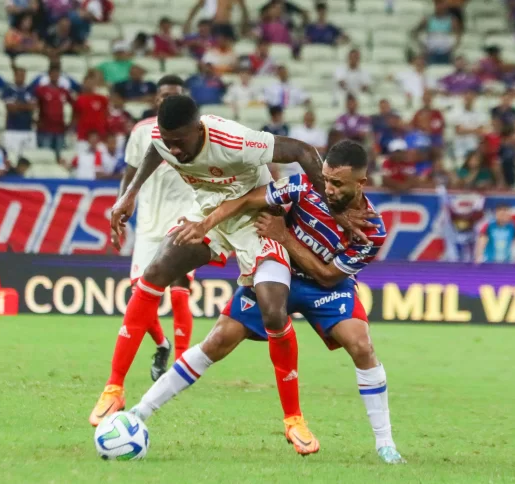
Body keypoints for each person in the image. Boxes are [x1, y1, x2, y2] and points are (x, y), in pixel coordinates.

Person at [89, 95, 362, 443]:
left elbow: (303, 152)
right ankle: (114, 386)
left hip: (258, 221)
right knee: (157, 270)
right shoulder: (164, 138)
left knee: (274, 312)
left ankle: (293, 419)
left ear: (198, 129)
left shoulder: (234, 140)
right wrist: (129, 194)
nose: (174, 149)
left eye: (180, 142)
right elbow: (158, 148)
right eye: (167, 140)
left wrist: (332, 210)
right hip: (210, 217)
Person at [131, 141, 404, 464]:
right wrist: (205, 224)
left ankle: (385, 445)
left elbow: (329, 276)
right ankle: (138, 412)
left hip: (325, 287)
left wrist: (284, 236)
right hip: (279, 274)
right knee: (217, 341)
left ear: (361, 183)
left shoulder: (372, 229)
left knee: (362, 346)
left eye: (337, 183)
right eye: (326, 179)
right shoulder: (303, 187)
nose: (327, 188)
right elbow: (247, 199)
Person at [114, 75, 195, 380]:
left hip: (184, 218)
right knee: (140, 294)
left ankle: (185, 362)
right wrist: (123, 202)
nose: (165, 100)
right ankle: (163, 345)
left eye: (172, 95)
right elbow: (131, 171)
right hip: (148, 221)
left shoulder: (194, 131)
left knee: (178, 289)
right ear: (155, 99)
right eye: (162, 95)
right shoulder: (141, 131)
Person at [34, 64, 73, 158]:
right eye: (53, 73)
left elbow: (74, 106)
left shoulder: (64, 91)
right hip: (45, 130)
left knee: (59, 156)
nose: (55, 75)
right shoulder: (41, 90)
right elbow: (34, 106)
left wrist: (70, 123)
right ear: (49, 75)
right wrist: (35, 121)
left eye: (57, 73)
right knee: (45, 156)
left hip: (60, 130)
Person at [412, 0, 462, 64]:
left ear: (446, 7)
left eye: (442, 5)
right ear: (435, 6)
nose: (440, 7)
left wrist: (452, 47)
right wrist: (423, 46)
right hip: (431, 51)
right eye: (438, 5)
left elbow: (458, 35)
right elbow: (415, 33)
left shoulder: (452, 20)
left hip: (446, 51)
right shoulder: (428, 19)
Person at [2, 67, 37, 155]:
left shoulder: (30, 90)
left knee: (27, 156)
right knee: (11, 155)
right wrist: (26, 106)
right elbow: (11, 108)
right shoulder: (8, 90)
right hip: (12, 129)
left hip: (27, 129)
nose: (20, 77)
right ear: (14, 76)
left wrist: (18, 105)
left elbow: (32, 107)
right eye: (18, 75)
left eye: (22, 75)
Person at [73, 70, 110, 151]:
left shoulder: (102, 99)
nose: (89, 85)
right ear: (84, 83)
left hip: (100, 135)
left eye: (92, 83)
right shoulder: (79, 99)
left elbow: (107, 114)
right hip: (83, 136)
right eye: (87, 83)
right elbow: (75, 117)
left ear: (95, 84)